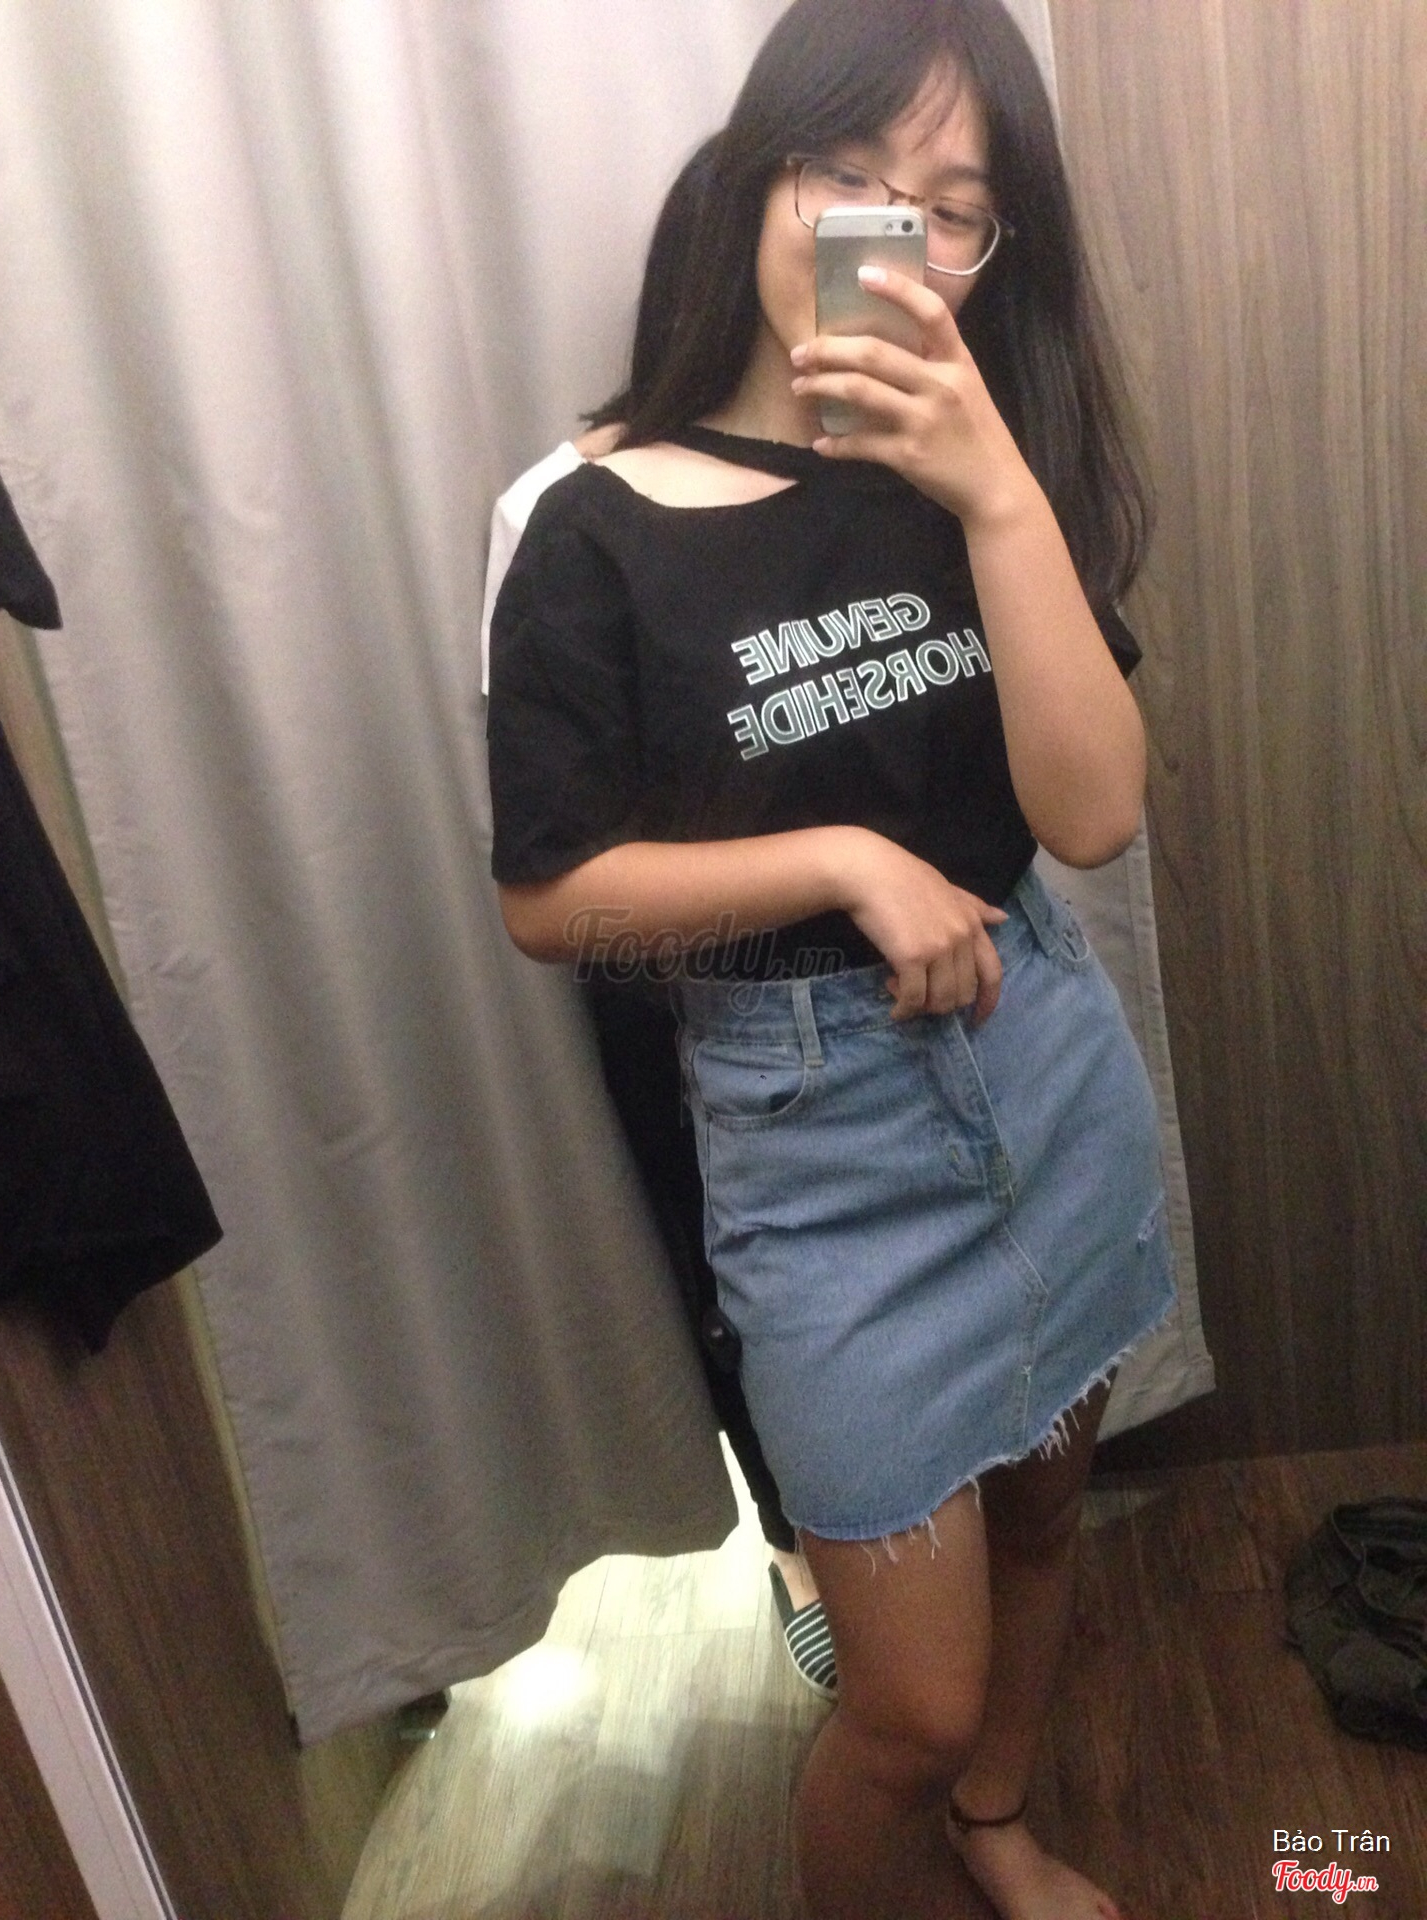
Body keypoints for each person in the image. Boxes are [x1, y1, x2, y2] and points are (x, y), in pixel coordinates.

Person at [487, 2, 1174, 1915]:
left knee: (1049, 1516)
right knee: (905, 1707)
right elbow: (548, 902)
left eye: (949, 206)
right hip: (822, 1152)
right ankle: (947, 1801)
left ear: (990, 250)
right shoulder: (593, 524)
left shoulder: (977, 478)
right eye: (847, 172)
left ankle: (1000, 1832)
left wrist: (995, 490)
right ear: (757, 178)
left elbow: (1093, 813)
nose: (891, 230)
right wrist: (845, 860)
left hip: (1047, 1069)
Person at [480, 136, 839, 1700]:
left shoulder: (890, 454)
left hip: (903, 958)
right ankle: (804, 1542)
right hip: (687, 976)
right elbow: (556, 838)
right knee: (737, 1275)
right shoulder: (569, 510)